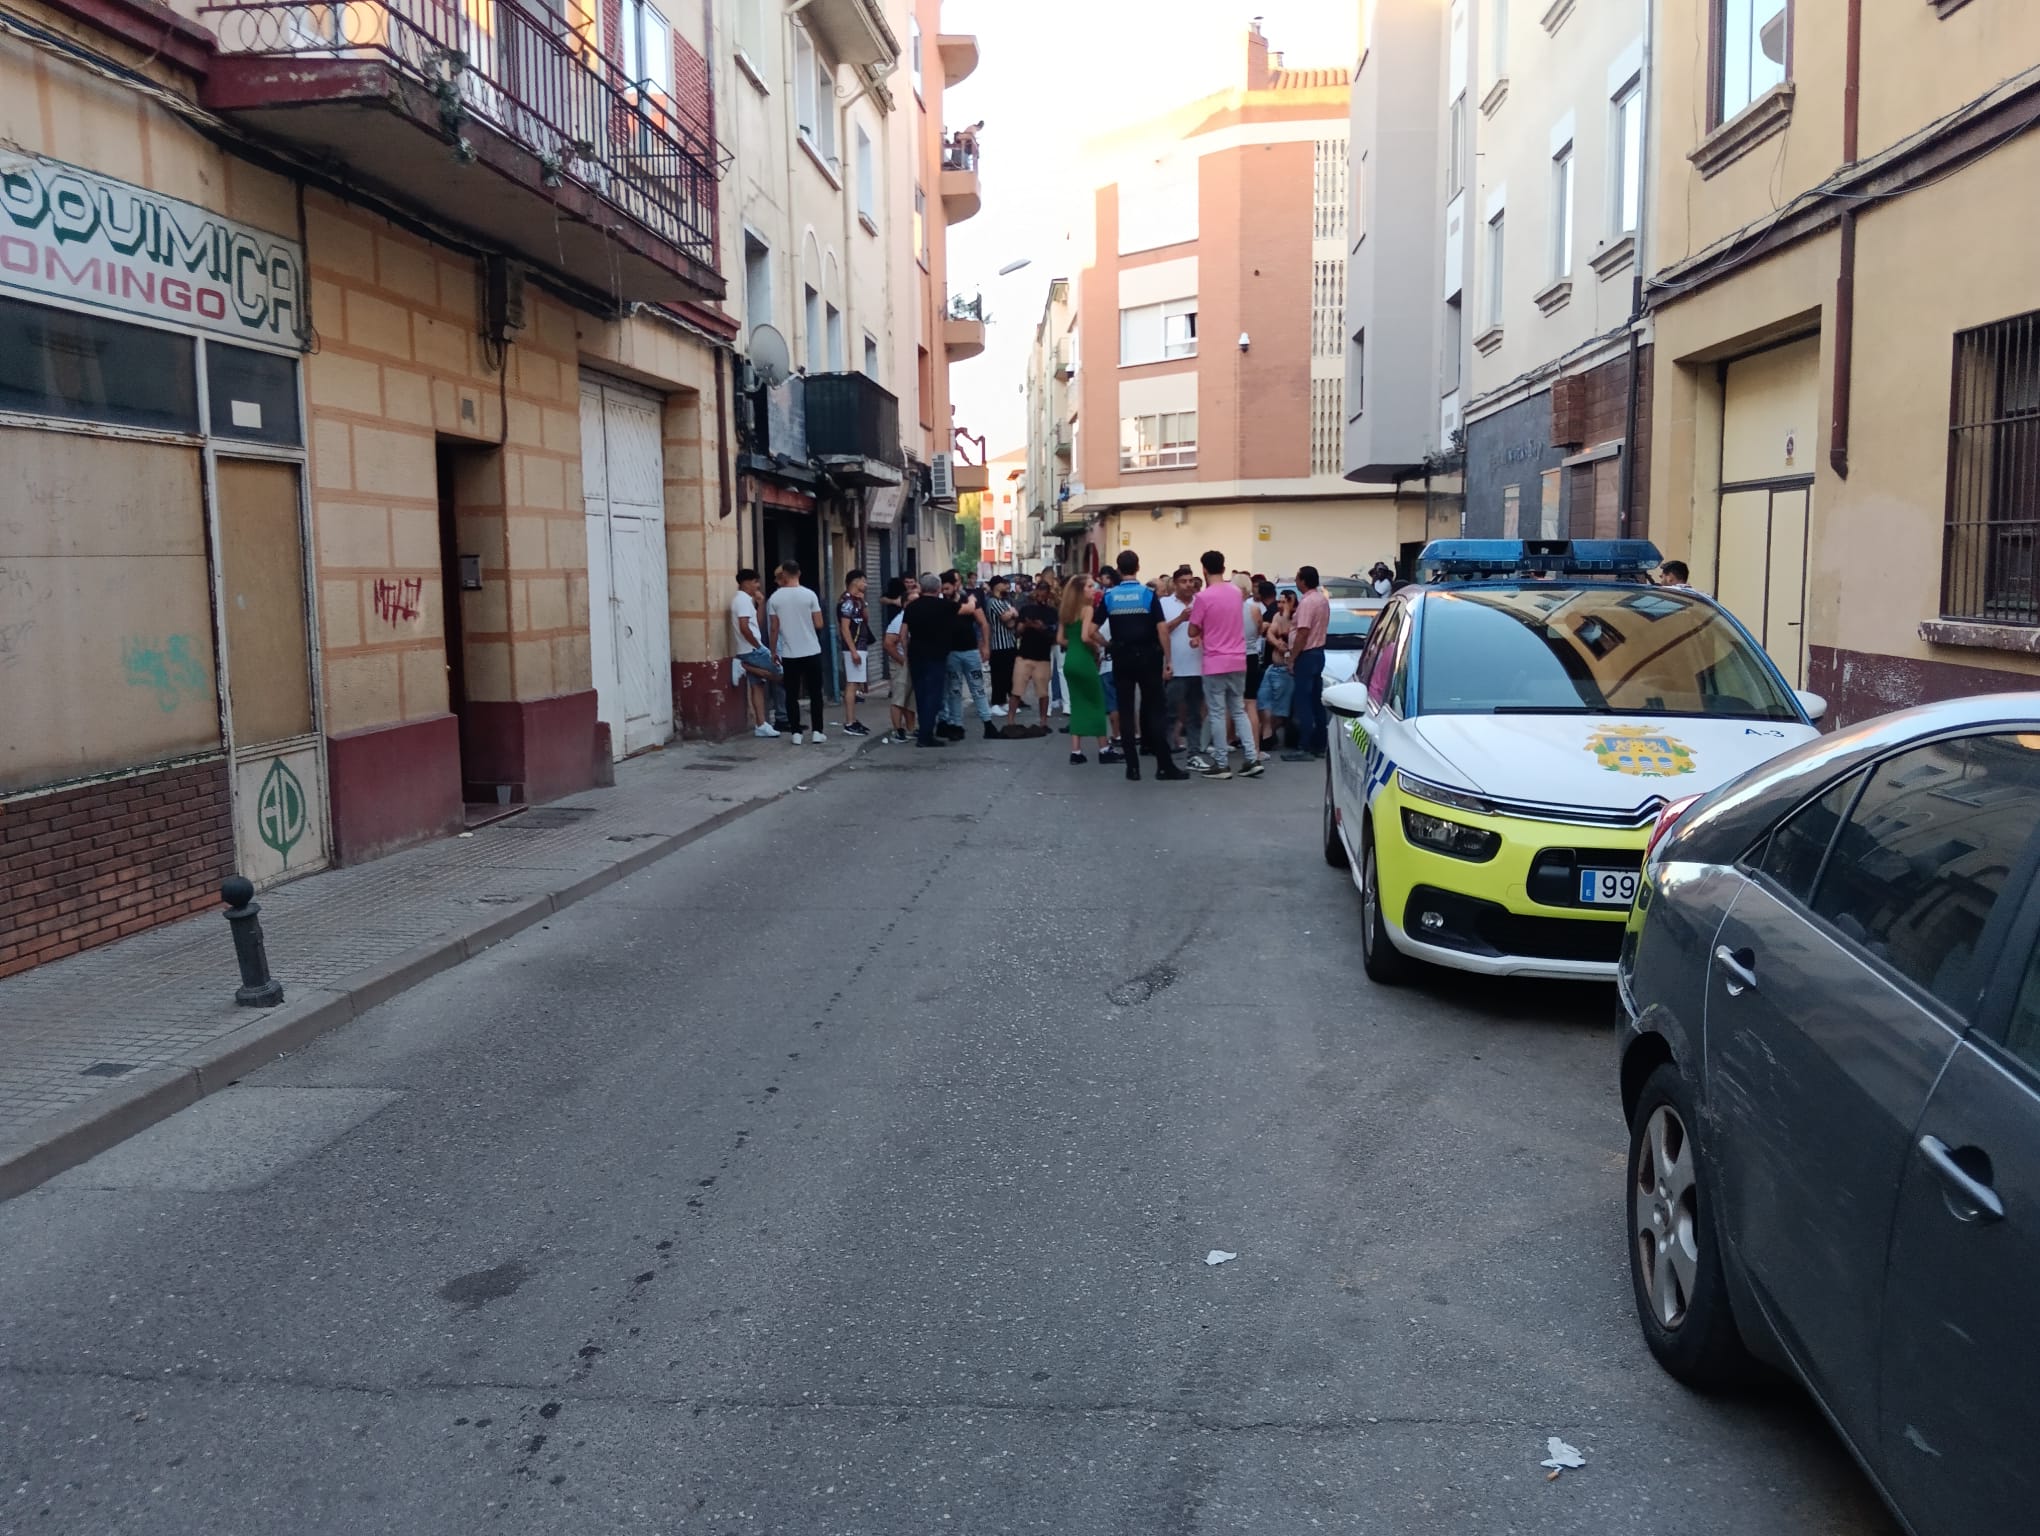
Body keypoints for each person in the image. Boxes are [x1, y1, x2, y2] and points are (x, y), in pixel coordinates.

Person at [1096, 550, 1186, 782]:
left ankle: (1132, 768)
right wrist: (1168, 660)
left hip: (1122, 657)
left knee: (1126, 710)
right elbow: (1162, 629)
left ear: (1118, 569)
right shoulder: (1147, 594)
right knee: (1155, 709)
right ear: (1137, 567)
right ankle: (1164, 765)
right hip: (1148, 657)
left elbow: (1090, 630)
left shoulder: (1110, 596)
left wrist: (1109, 645)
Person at [1186, 550, 1262, 780]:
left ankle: (1221, 763)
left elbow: (1192, 629)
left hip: (1215, 660)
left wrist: (1200, 633)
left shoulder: (1204, 597)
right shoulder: (1236, 593)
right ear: (1224, 566)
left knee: (1218, 712)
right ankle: (1251, 757)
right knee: (1238, 709)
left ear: (1204, 570)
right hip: (1238, 658)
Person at [1051, 574, 1114, 763]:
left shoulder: (1066, 611)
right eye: (1089, 586)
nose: (1093, 589)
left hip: (1071, 660)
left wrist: (1075, 644)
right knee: (1097, 702)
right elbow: (1087, 636)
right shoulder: (1087, 609)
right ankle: (1103, 748)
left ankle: (1076, 751)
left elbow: (1060, 639)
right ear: (1081, 590)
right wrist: (1096, 647)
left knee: (1077, 704)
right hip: (1084, 660)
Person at [766, 561, 827, 743]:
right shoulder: (809, 595)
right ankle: (817, 731)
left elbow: (774, 628)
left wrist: (773, 651)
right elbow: (819, 623)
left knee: (791, 694)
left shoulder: (775, 598)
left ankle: (796, 733)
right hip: (811, 650)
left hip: (789, 653)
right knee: (816, 692)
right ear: (799, 573)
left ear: (783, 574)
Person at [938, 571, 998, 740]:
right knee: (954, 690)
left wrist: (986, 645)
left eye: (949, 587)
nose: (946, 591)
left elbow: (983, 623)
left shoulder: (967, 600)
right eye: (943, 588)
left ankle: (987, 722)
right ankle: (957, 724)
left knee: (977, 689)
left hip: (969, 650)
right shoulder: (946, 603)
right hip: (952, 652)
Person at [902, 573, 956, 749]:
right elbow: (967, 609)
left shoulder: (911, 607)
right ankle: (925, 735)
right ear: (938, 588)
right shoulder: (944, 606)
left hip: (916, 655)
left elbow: (903, 634)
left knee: (921, 694)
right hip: (936, 655)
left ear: (921, 588)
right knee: (934, 695)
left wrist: (907, 652)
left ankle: (924, 731)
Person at [729, 568, 782, 738]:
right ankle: (743, 666)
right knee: (780, 673)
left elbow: (755, 624)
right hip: (752, 650)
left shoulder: (746, 600)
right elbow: (744, 627)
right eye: (755, 582)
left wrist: (761, 604)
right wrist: (757, 646)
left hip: (750, 648)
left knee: (757, 685)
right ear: (746, 583)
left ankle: (760, 724)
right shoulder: (742, 600)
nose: (757, 586)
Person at [1284, 564, 1331, 761]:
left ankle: (1304, 745)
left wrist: (1292, 657)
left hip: (1307, 653)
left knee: (1303, 701)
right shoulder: (1321, 599)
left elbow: (1303, 632)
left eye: (1297, 578)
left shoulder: (1307, 603)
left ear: (1303, 581)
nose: (1296, 581)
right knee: (1315, 700)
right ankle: (1319, 743)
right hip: (1318, 652)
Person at [1160, 565, 1205, 761]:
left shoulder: (1202, 601)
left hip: (1198, 667)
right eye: (1183, 581)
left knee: (1195, 713)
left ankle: (1194, 751)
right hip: (1175, 667)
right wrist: (1181, 618)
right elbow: (1161, 631)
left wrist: (1200, 637)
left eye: (1190, 581)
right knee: (1171, 711)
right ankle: (1167, 749)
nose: (1188, 585)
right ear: (1175, 584)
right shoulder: (1164, 604)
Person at [1011, 579, 1060, 731]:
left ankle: (1043, 721)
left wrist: (1041, 628)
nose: (1041, 595)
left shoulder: (1052, 613)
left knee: (1043, 692)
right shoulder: (1026, 609)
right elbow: (1017, 631)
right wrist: (1027, 625)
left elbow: (1054, 635)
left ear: (1048, 594)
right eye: (1039, 591)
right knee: (1017, 690)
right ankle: (1010, 721)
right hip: (1024, 655)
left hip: (1042, 656)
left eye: (1044, 592)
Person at [1257, 585, 1296, 752]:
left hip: (1285, 671)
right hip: (1272, 667)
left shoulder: (1295, 619)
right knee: (1262, 699)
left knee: (1280, 708)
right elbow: (1271, 634)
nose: (1280, 605)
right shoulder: (1276, 616)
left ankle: (1269, 735)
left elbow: (1287, 634)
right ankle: (1266, 732)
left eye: (1285, 602)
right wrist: (1276, 643)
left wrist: (1287, 614)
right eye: (1280, 601)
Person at [836, 569, 874, 738]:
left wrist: (863, 602)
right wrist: (852, 651)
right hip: (854, 645)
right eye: (863, 581)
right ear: (855, 581)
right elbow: (844, 628)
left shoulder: (857, 601)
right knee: (852, 683)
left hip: (861, 644)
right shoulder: (847, 602)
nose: (866, 584)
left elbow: (866, 619)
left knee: (856, 683)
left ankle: (853, 720)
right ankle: (850, 722)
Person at [883, 574, 920, 743]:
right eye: (912, 601)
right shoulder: (899, 621)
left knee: (910, 700)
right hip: (900, 665)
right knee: (899, 698)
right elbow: (888, 644)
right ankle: (898, 730)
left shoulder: (913, 619)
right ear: (905, 604)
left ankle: (911, 728)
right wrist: (902, 660)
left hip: (911, 663)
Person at [983, 575, 1021, 716]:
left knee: (1009, 674)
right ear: (996, 586)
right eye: (1003, 583)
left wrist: (1011, 614)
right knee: (999, 675)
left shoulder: (1004, 601)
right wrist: (1011, 614)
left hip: (1009, 643)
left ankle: (1005, 702)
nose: (1006, 586)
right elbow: (1006, 618)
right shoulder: (993, 602)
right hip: (999, 645)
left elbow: (1013, 619)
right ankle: (996, 702)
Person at [1238, 574, 1266, 755]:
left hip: (1233, 656)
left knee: (1231, 703)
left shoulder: (1227, 609)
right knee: (1250, 703)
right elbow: (1258, 631)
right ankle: (1255, 748)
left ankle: (1227, 743)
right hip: (1251, 655)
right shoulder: (1255, 609)